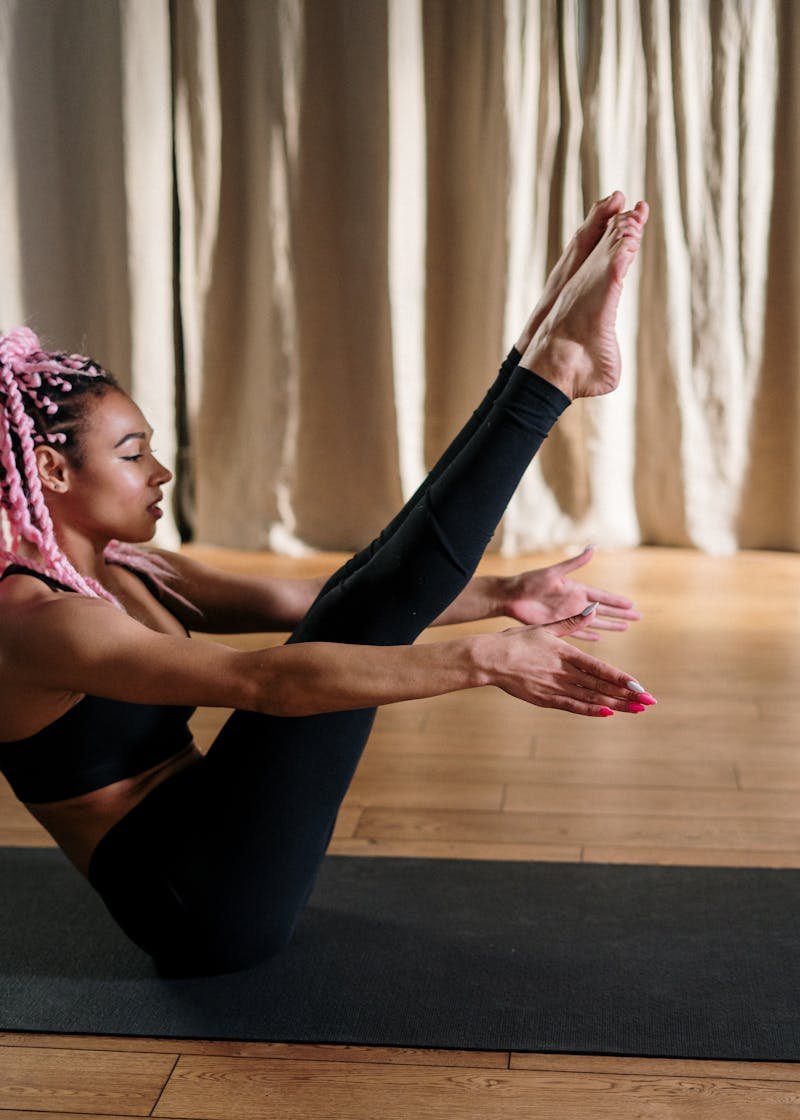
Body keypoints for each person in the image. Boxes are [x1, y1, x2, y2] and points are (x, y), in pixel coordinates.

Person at [0, 193, 653, 976]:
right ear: (49, 468)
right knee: (349, 618)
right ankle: (549, 372)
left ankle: (539, 355)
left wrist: (503, 594)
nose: (161, 472)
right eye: (135, 452)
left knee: (352, 598)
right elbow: (264, 682)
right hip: (194, 904)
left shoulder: (123, 565)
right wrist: (486, 660)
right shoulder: (36, 620)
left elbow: (309, 601)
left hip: (220, 833)